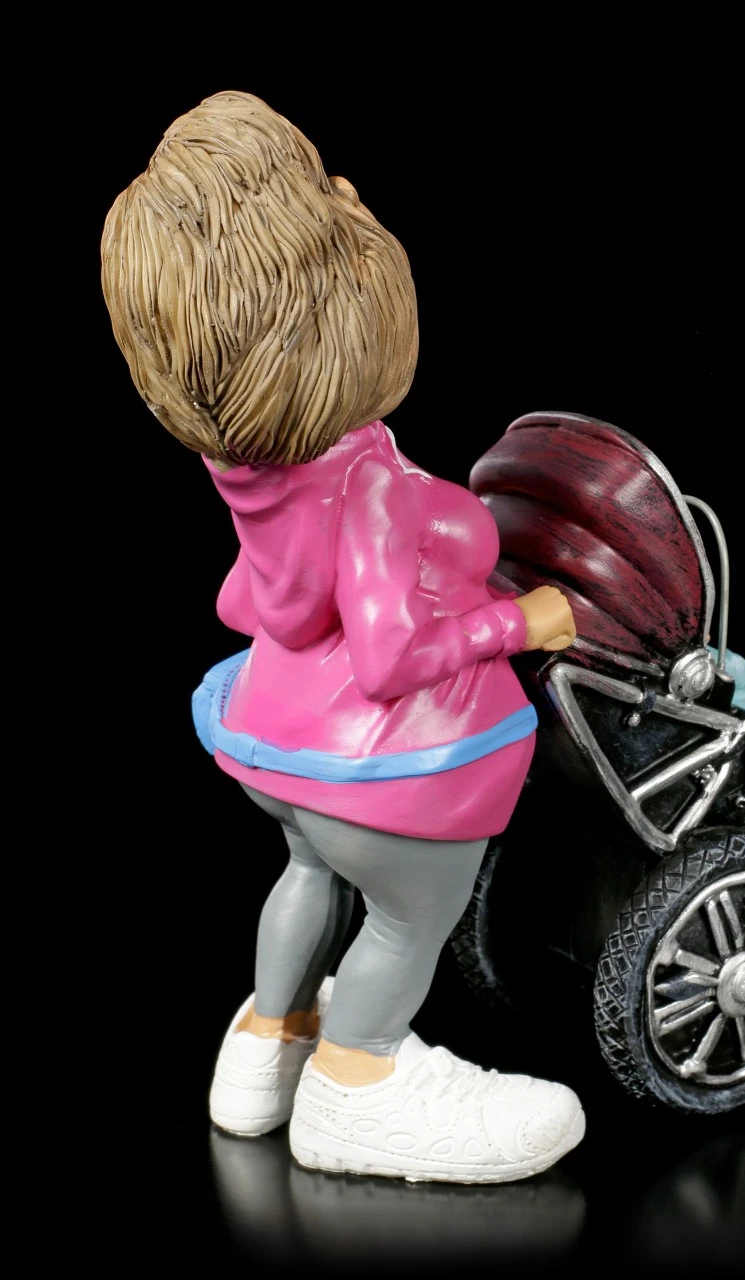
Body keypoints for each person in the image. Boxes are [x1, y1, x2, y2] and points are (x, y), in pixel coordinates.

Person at [101, 90, 584, 1184]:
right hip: (383, 766)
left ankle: (263, 1051)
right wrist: (517, 619)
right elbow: (385, 657)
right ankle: (360, 1081)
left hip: (273, 735)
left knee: (306, 867)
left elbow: (245, 600)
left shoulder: (243, 464)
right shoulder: (364, 481)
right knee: (407, 917)